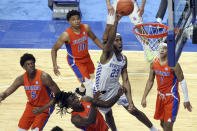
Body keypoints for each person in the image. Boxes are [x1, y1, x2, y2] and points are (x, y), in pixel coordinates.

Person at [93, 13, 159, 131]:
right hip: (100, 91)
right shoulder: (107, 54)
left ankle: (154, 129)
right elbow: (110, 38)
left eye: (121, 40)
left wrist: (130, 102)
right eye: (116, 40)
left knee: (134, 110)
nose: (120, 43)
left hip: (115, 88)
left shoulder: (123, 59)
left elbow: (126, 80)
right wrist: (116, 22)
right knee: (108, 114)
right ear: (112, 43)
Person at [0, 53, 61, 131]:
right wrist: (1, 97)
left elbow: (59, 95)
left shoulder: (44, 77)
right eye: (28, 64)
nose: (31, 65)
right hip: (31, 106)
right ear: (24, 67)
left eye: (32, 63)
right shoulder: (21, 79)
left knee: (35, 130)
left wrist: (42, 109)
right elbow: (6, 92)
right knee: (21, 130)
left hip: (46, 106)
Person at [51, 10, 103, 97]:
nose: (77, 21)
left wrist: (104, 48)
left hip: (87, 57)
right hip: (76, 62)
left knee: (91, 76)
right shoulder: (66, 35)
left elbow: (94, 38)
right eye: (73, 19)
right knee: (89, 85)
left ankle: (81, 91)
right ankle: (89, 104)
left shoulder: (86, 28)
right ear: (69, 22)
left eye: (78, 19)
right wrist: (54, 65)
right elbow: (54, 49)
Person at [141, 43, 192, 131]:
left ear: (169, 51)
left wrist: (186, 99)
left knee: (168, 127)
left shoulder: (174, 64)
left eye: (164, 48)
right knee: (162, 124)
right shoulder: (153, 64)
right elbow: (150, 81)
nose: (161, 50)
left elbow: (182, 81)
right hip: (160, 97)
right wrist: (144, 97)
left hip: (172, 98)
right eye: (160, 48)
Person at [54, 87, 124, 131]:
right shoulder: (75, 118)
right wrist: (94, 102)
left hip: (105, 128)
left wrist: (118, 95)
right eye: (73, 100)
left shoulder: (85, 99)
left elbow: (106, 105)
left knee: (108, 112)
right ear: (69, 106)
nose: (76, 100)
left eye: (75, 97)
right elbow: (91, 120)